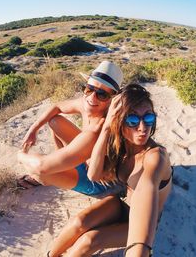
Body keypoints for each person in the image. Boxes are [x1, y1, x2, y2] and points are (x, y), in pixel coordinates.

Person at [47, 84, 173, 256]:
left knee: (89, 240)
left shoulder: (155, 157)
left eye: (148, 118)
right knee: (78, 223)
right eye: (133, 120)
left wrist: (140, 250)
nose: (143, 127)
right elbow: (94, 174)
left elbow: (146, 188)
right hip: (121, 205)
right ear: (119, 122)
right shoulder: (123, 147)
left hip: (140, 221)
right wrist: (106, 127)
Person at [17, 61, 123, 197]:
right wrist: (34, 129)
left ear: (111, 99)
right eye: (89, 89)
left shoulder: (99, 127)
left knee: (40, 173)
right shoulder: (87, 103)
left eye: (102, 94)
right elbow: (57, 107)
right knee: (55, 121)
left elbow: (40, 166)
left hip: (99, 184)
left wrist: (21, 155)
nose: (92, 97)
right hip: (84, 159)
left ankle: (56, 174)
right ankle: (62, 166)